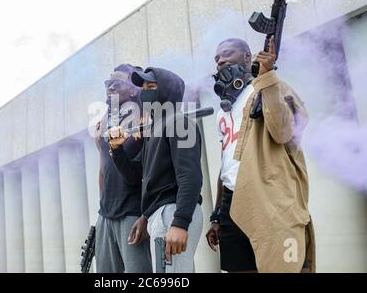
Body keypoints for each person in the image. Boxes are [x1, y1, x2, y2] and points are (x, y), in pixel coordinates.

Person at [205, 37, 316, 273]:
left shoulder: (273, 88)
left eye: (226, 53)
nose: (220, 60)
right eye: (216, 58)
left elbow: (284, 133)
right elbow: (227, 165)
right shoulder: (222, 113)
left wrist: (267, 79)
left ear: (247, 58)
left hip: (269, 200)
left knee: (285, 267)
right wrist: (216, 215)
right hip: (231, 205)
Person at [108, 67, 203, 273]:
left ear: (167, 91)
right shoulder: (154, 129)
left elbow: (190, 177)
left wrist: (180, 222)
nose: (145, 92)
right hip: (160, 216)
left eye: (151, 87)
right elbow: (135, 175)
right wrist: (117, 149)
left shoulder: (180, 122)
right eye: (142, 87)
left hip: (173, 212)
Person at [94, 64, 152, 273]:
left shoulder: (144, 121)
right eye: (108, 83)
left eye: (116, 83)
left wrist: (144, 216)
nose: (110, 88)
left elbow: (146, 175)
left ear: (134, 89)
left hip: (132, 213)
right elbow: (103, 170)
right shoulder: (106, 123)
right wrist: (102, 211)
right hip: (106, 215)